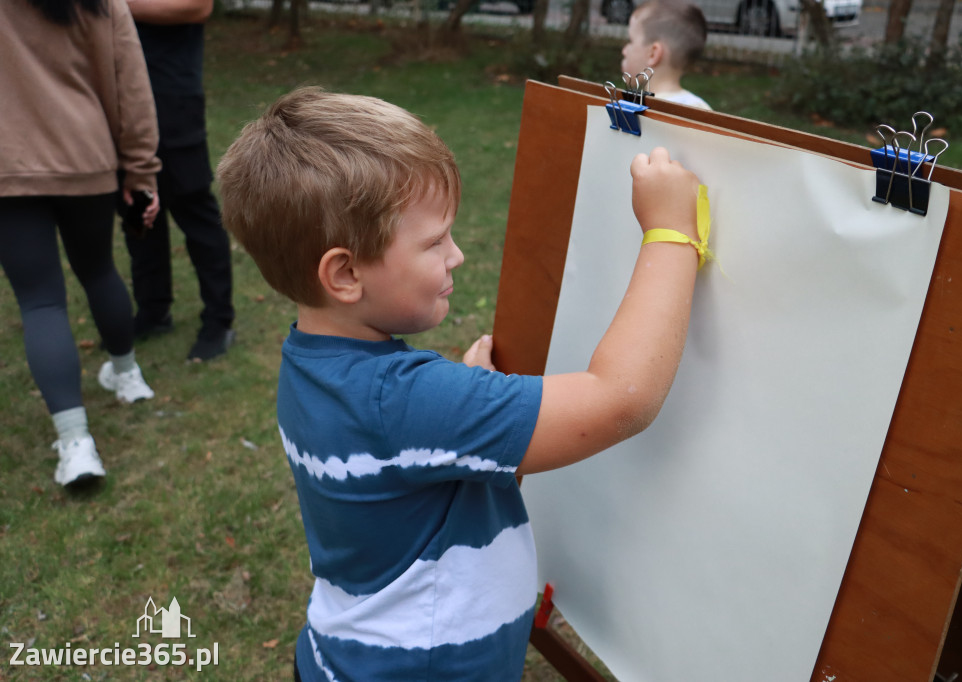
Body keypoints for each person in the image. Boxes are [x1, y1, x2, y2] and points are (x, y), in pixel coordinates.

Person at [216, 86, 708, 682]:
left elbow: (402, 467)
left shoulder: (310, 361)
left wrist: (463, 421)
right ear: (344, 273)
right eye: (433, 242)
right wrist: (671, 233)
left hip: (337, 659)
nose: (458, 255)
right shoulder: (405, 400)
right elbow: (621, 399)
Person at [0, 0, 161, 487]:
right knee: (99, 270)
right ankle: (128, 377)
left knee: (41, 300)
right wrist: (141, 171)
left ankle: (76, 444)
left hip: (9, 168)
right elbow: (133, 87)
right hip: (87, 155)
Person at [122, 0, 236, 361]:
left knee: (192, 204)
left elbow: (198, 6)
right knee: (135, 201)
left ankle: (219, 320)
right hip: (120, 94)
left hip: (171, 92)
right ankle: (154, 310)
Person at [621, 0, 713, 110]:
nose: (624, 51)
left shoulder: (638, 111)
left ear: (653, 54)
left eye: (631, 41)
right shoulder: (699, 109)